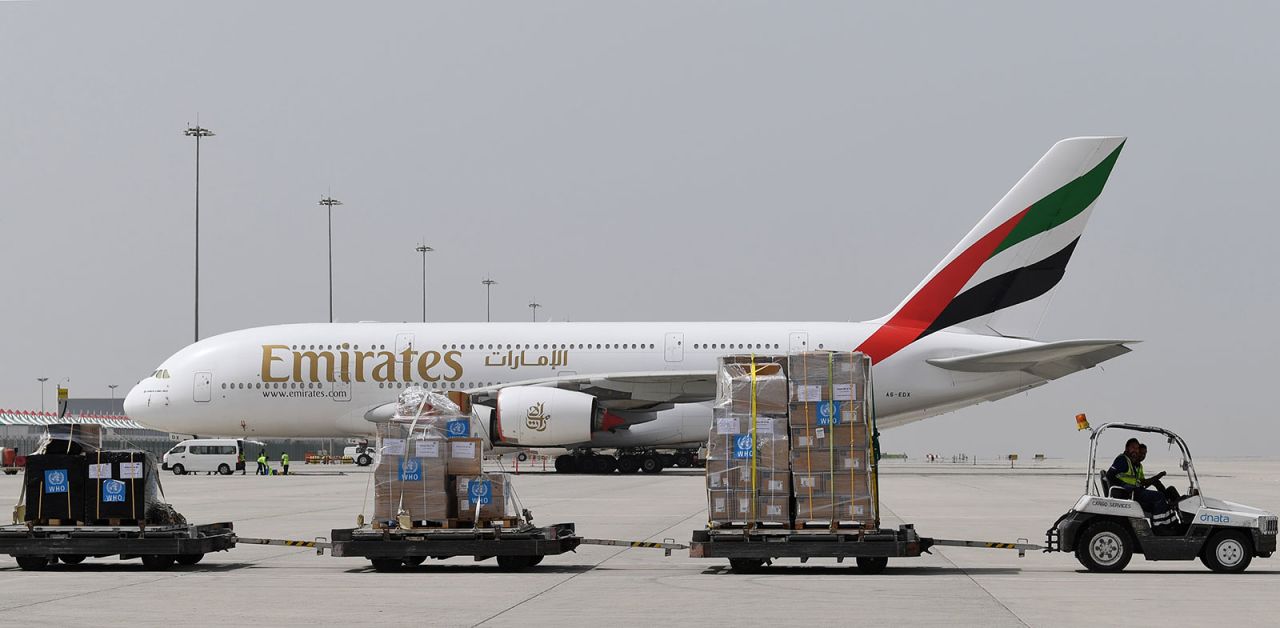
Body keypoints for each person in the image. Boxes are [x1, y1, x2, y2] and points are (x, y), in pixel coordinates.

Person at [1107, 439, 1178, 533]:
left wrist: (1156, 478)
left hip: (1134, 491)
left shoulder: (1133, 463)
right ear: (1127, 448)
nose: (1136, 451)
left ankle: (1172, 524)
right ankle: (1158, 527)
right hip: (1128, 493)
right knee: (1159, 496)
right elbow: (1109, 475)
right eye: (1133, 448)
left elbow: (1141, 481)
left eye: (1137, 449)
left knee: (1161, 499)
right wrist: (1124, 485)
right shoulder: (1123, 460)